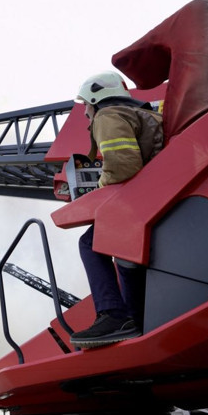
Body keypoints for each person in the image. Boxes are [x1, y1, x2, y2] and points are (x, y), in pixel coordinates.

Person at [69, 71, 163, 348]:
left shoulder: (108, 116)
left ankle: (113, 315)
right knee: (126, 258)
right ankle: (134, 320)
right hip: (158, 200)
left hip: (137, 203)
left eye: (85, 105)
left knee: (91, 243)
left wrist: (98, 194)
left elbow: (123, 166)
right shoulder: (147, 115)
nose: (85, 112)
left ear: (95, 99)